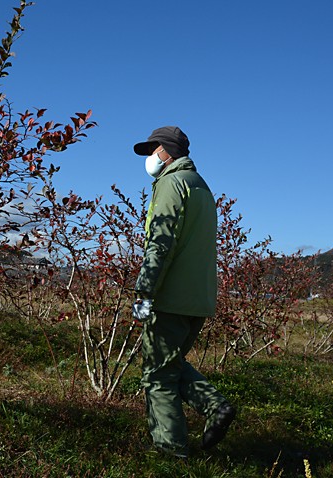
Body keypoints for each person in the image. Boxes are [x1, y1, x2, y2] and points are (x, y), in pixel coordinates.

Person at [132, 126, 236, 458]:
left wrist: (144, 291)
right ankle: (215, 407)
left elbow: (161, 244)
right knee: (171, 364)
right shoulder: (200, 186)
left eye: (153, 149)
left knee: (159, 375)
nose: (150, 157)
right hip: (198, 299)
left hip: (170, 297)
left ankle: (170, 453)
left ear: (167, 151)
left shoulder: (170, 184)